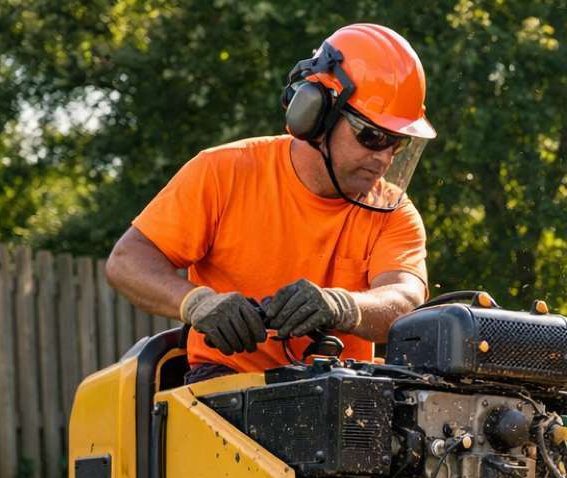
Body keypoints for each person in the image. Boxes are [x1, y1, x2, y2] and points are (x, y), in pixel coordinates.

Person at [104, 23, 435, 382]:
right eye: (372, 137)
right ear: (316, 115)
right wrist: (199, 303)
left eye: (396, 144)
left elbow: (405, 299)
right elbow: (128, 261)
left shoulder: (393, 211)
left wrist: (343, 306)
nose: (384, 159)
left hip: (340, 393)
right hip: (223, 386)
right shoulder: (224, 172)